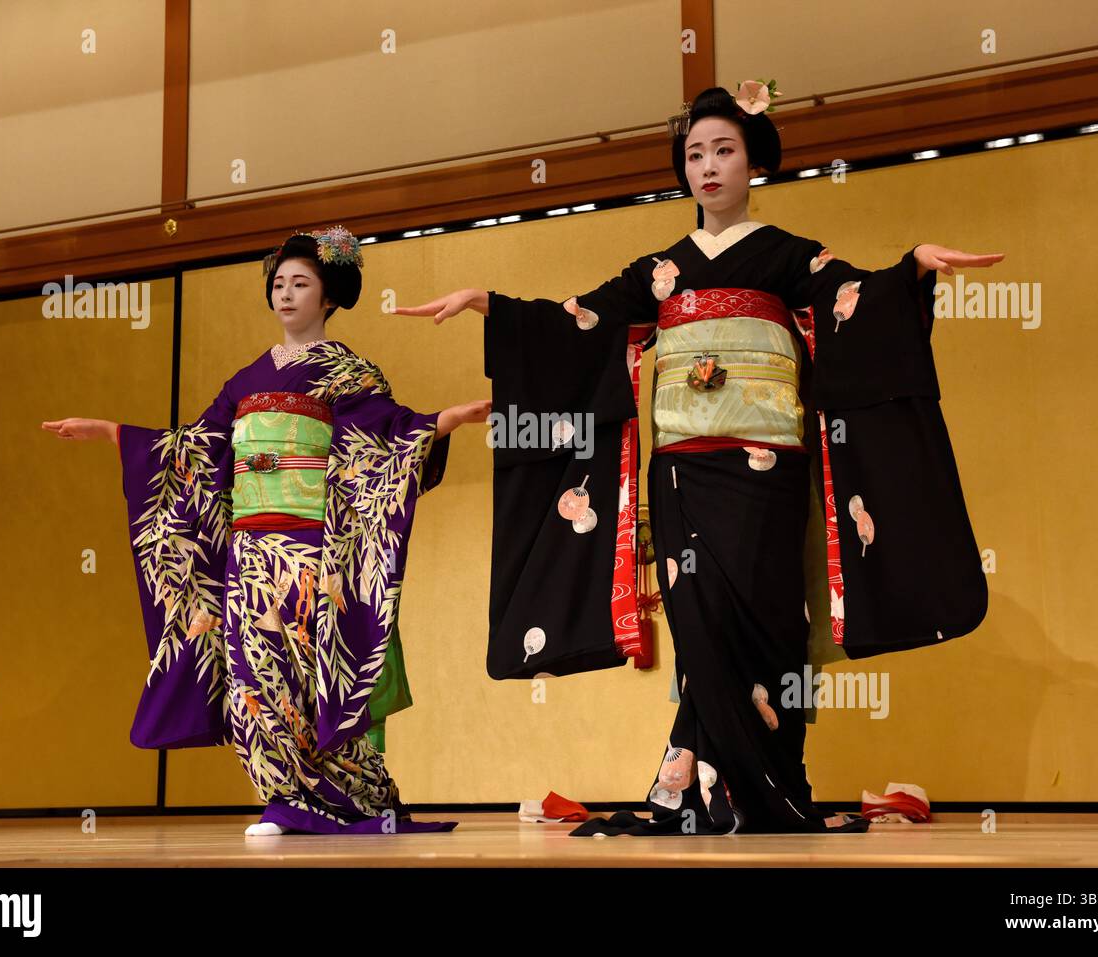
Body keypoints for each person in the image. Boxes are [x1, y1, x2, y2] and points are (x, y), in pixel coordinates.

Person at [397, 81, 998, 835]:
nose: (708, 166)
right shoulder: (658, 270)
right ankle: (712, 782)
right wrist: (495, 305)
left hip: (769, 470)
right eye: (694, 154)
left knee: (771, 619)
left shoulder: (788, 255)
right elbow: (578, 321)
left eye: (724, 150)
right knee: (702, 621)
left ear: (753, 165)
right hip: (681, 471)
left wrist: (910, 270)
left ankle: (764, 783)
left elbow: (853, 299)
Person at [43, 226, 489, 835]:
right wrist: (116, 434)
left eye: (300, 283)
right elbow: (198, 452)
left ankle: (352, 795)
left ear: (329, 296)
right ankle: (283, 799)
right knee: (255, 673)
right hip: (249, 553)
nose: (285, 294)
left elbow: (383, 438)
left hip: (311, 548)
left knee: (314, 671)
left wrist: (440, 423)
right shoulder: (245, 380)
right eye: (278, 283)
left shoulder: (350, 374)